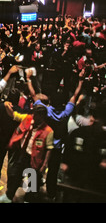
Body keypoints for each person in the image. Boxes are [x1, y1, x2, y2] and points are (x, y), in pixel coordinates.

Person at [25, 68, 85, 201]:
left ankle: (31, 193)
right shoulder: (65, 113)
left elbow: (34, 95)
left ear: (51, 101)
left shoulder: (46, 111)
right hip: (57, 149)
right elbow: (74, 96)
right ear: (63, 103)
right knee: (52, 172)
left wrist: (28, 79)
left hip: (43, 146)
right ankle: (51, 194)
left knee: (35, 167)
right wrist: (80, 81)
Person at [0, 102, 54, 203]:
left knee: (32, 181)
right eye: (34, 113)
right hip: (22, 153)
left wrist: (44, 164)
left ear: (42, 116)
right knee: (15, 175)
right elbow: (13, 115)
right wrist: (5, 105)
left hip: (35, 158)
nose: (34, 116)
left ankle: (28, 200)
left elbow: (49, 149)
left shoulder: (48, 131)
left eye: (37, 115)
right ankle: (8, 197)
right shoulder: (27, 118)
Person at [59, 102, 106, 202]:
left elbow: (66, 156)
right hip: (93, 184)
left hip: (77, 179)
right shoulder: (100, 137)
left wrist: (66, 165)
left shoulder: (78, 132)